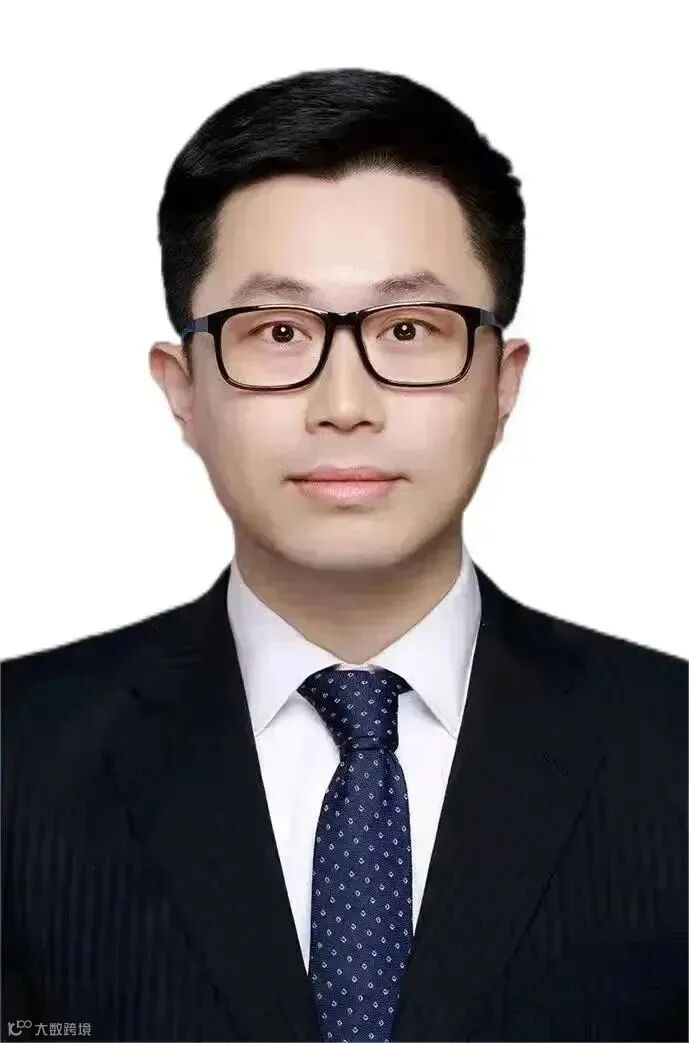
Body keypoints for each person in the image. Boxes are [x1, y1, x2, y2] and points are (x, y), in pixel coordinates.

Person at [1, 67, 686, 1043]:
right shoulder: (19, 757)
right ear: (182, 388)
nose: (344, 404)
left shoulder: (669, 749)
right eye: (278, 331)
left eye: (408, 330)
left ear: (502, 383)